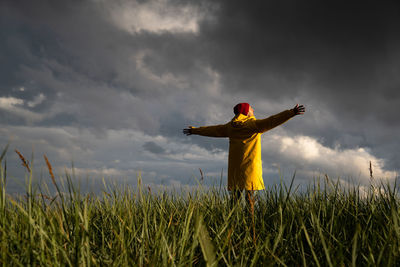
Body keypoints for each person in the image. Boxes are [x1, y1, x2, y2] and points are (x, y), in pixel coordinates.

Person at [183, 103, 305, 204]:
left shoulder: (230, 127)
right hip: (250, 171)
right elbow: (272, 121)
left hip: (235, 171)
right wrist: (291, 113)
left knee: (234, 201)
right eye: (251, 108)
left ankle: (231, 225)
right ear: (246, 112)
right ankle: (250, 227)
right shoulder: (252, 125)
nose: (253, 109)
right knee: (251, 201)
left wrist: (194, 130)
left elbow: (213, 130)